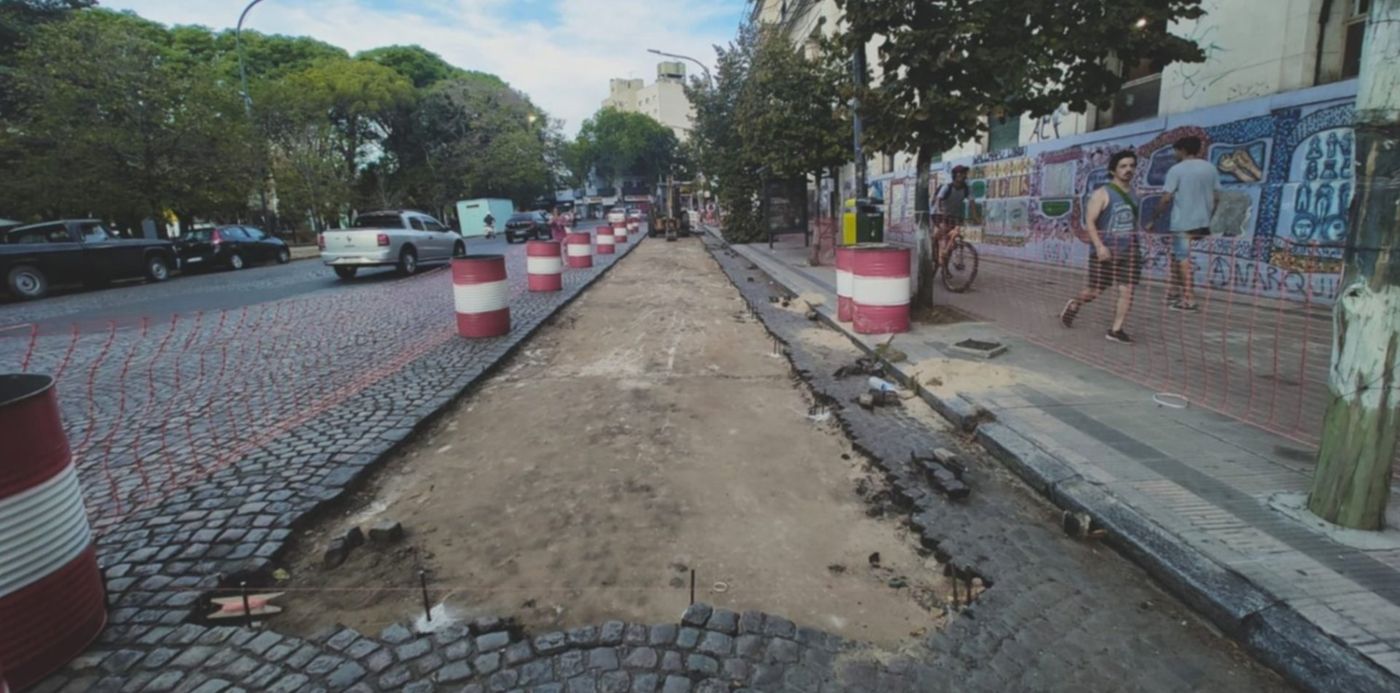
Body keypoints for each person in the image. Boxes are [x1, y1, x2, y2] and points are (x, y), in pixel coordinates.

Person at [1059, 150, 1142, 344]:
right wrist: (1099, 246)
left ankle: (1116, 330)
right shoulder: (1102, 194)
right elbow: (1090, 221)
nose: (1128, 169)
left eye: (1131, 165)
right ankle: (1075, 303)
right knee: (1095, 290)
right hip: (1104, 249)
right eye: (1123, 166)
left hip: (1129, 250)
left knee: (1127, 289)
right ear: (1113, 170)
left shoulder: (1135, 194)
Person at [1150, 135, 1219, 311]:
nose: (1174, 154)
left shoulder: (1177, 170)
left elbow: (1166, 198)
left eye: (1176, 151)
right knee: (1175, 256)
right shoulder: (1210, 168)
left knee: (1182, 258)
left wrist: (1153, 219)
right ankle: (1173, 292)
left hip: (1183, 222)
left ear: (1182, 150)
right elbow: (1217, 196)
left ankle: (1189, 298)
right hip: (1203, 222)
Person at [932, 165, 975, 264]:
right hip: (939, 214)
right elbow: (938, 200)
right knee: (939, 234)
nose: (964, 176)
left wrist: (975, 217)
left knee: (953, 237)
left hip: (954, 215)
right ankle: (933, 251)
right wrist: (940, 210)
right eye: (962, 174)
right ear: (956, 175)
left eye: (965, 174)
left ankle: (945, 259)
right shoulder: (947, 187)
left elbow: (972, 203)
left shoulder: (967, 189)